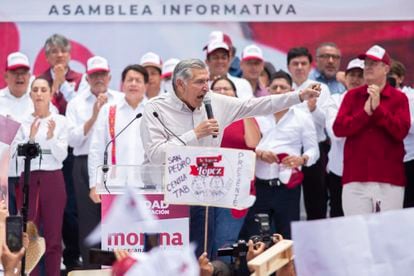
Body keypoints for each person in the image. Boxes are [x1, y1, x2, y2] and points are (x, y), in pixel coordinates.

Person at [140, 58, 321, 257]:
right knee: (162, 260)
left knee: (201, 257)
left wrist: (299, 96)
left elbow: (260, 104)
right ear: (180, 84)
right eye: (199, 82)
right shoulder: (155, 109)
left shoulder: (214, 101)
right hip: (163, 199)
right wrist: (195, 134)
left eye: (207, 80)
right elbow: (156, 155)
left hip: (200, 196)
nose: (206, 87)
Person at [241, 70, 319, 240]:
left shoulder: (302, 117)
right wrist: (259, 154)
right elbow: (243, 145)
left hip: (288, 187)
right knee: (255, 238)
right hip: (259, 185)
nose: (277, 90)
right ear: (268, 90)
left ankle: (287, 268)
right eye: (274, 87)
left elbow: (314, 150)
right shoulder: (256, 114)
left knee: (287, 238)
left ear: (291, 91)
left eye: (282, 87)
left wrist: (302, 159)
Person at [333, 45, 410, 215]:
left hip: (389, 180)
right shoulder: (352, 96)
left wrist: (379, 110)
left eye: (374, 63)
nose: (368, 67)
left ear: (386, 69)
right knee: (356, 233)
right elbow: (338, 128)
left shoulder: (399, 98)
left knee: (387, 234)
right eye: (366, 63)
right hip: (355, 178)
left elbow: (400, 132)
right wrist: (365, 113)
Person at [66, 56, 122, 268]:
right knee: (89, 222)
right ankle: (91, 269)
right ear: (87, 79)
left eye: (102, 74)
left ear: (109, 77)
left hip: (115, 163)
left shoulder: (120, 99)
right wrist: (94, 115)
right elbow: (72, 140)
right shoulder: (76, 104)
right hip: (84, 163)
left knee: (115, 219)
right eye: (94, 75)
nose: (99, 79)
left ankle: (117, 268)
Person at [12, 77, 69, 275]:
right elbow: (16, 151)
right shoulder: (24, 123)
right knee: (30, 234)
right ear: (30, 94)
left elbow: (62, 155)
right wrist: (32, 137)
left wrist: (51, 137)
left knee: (53, 236)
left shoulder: (60, 121)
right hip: (28, 179)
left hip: (52, 179)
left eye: (43, 89)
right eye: (35, 89)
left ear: (50, 93)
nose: (39, 93)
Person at [38, 33, 82, 269]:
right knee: (48, 207)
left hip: (72, 152)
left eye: (62, 51)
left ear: (69, 54)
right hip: (47, 152)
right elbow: (44, 109)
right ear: (46, 55)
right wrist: (53, 84)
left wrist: (63, 83)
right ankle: (47, 258)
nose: (58, 55)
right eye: (53, 51)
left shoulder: (80, 78)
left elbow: (77, 109)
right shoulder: (40, 81)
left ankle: (74, 256)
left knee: (72, 208)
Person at [0, 52, 58, 216]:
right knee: (6, 226)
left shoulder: (40, 99)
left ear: (30, 75)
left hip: (34, 173)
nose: (20, 77)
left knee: (32, 225)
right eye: (15, 72)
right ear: (6, 76)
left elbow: (51, 131)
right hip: (4, 176)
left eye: (23, 73)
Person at [210, 77, 261, 260]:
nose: (222, 92)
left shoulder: (244, 117)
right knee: (204, 244)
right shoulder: (201, 116)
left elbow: (253, 142)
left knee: (224, 244)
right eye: (217, 89)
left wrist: (244, 110)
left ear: (235, 94)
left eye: (227, 89)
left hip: (234, 191)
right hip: (204, 190)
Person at [88, 64, 148, 202]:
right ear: (122, 84)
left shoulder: (153, 111)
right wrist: (94, 184)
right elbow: (96, 149)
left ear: (145, 86)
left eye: (138, 80)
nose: (133, 84)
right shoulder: (108, 110)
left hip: (146, 186)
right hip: (114, 186)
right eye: (129, 80)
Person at [287, 46, 331, 220]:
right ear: (289, 66)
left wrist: (313, 109)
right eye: (295, 63)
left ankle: (317, 242)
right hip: (289, 149)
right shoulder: (283, 87)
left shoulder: (321, 88)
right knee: (289, 200)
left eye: (303, 63)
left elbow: (327, 122)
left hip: (316, 149)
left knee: (316, 199)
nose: (299, 67)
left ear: (310, 66)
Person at [325, 58, 365, 217]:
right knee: (338, 215)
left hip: (365, 172)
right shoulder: (335, 100)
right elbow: (335, 133)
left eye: (359, 75)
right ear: (345, 77)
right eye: (351, 75)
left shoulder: (373, 101)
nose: (355, 79)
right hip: (339, 170)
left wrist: (348, 125)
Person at [387, 60, 414, 208]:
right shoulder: (378, 96)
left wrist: (393, 119)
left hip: (409, 158)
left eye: (391, 75)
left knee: (409, 204)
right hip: (386, 160)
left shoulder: (411, 97)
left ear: (401, 78)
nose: (388, 79)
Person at [204, 35, 253, 100]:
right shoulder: (201, 86)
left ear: (230, 60)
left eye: (223, 58)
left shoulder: (243, 84)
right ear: (207, 61)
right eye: (215, 58)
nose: (220, 61)